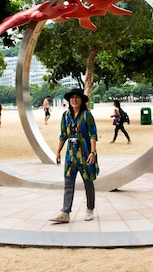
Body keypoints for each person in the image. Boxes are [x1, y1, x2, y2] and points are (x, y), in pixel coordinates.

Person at [50, 88, 99, 223]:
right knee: (68, 182)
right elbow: (63, 135)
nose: (74, 100)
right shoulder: (66, 116)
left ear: (82, 100)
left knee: (88, 181)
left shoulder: (87, 115)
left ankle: (90, 208)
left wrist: (92, 152)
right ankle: (65, 212)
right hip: (71, 154)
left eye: (77, 97)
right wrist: (58, 151)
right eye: (72, 98)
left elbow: (93, 134)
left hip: (85, 153)